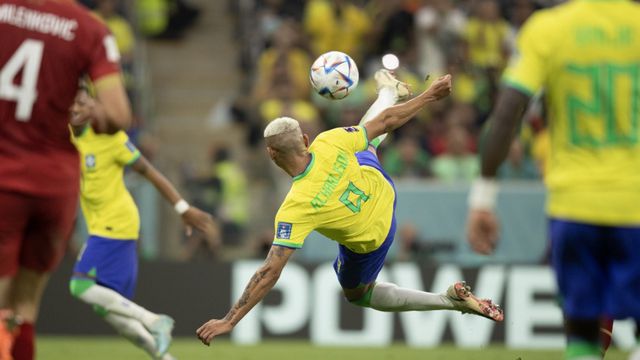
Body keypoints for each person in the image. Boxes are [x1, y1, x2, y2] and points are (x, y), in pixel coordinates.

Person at [196, 70, 504, 345]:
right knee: (366, 140)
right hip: (380, 187)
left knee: (359, 294)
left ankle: (447, 300)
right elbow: (386, 121)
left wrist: (230, 319)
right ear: (305, 138)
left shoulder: (295, 208)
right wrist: (430, 95)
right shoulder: (329, 141)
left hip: (373, 236)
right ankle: (388, 91)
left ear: (271, 155)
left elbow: (269, 271)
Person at [465, 1, 640, 359]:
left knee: (582, 334)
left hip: (573, 206)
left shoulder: (548, 29)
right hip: (635, 205)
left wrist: (483, 196)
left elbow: (507, 111)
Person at [0, 1, 132, 358]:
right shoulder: (88, 29)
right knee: (24, 306)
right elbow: (118, 115)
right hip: (53, 184)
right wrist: (94, 114)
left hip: (3, 177)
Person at [67, 92, 216, 360]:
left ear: (94, 110)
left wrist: (182, 208)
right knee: (109, 309)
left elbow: (149, 172)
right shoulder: (63, 137)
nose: (76, 108)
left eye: (83, 103)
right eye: (73, 102)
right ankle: (165, 358)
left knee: (80, 286)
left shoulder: (110, 139)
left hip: (116, 223)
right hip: (100, 226)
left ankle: (154, 319)